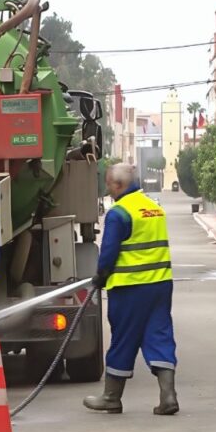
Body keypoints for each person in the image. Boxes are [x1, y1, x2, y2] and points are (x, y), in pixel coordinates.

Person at [84, 163, 179, 415]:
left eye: (109, 183)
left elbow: (108, 253)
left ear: (118, 185)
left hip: (129, 289)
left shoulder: (119, 213)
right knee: (159, 335)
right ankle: (168, 396)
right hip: (160, 286)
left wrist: (100, 276)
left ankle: (111, 397)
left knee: (123, 339)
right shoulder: (154, 208)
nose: (107, 188)